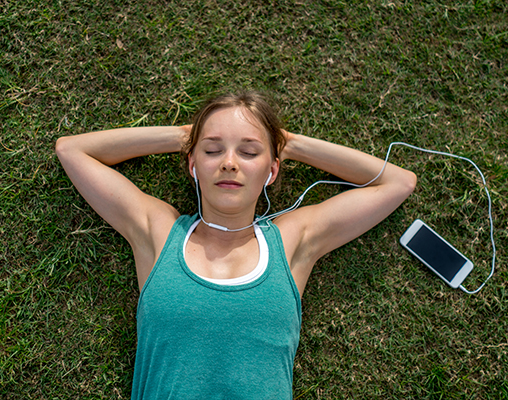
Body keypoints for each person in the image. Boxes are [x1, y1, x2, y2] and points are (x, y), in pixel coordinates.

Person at [55, 91, 416, 399]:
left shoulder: (291, 241)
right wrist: (184, 138)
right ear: (193, 165)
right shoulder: (159, 232)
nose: (229, 163)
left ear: (272, 171)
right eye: (213, 150)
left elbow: (397, 183)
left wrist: (289, 144)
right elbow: (72, 150)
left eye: (249, 152)